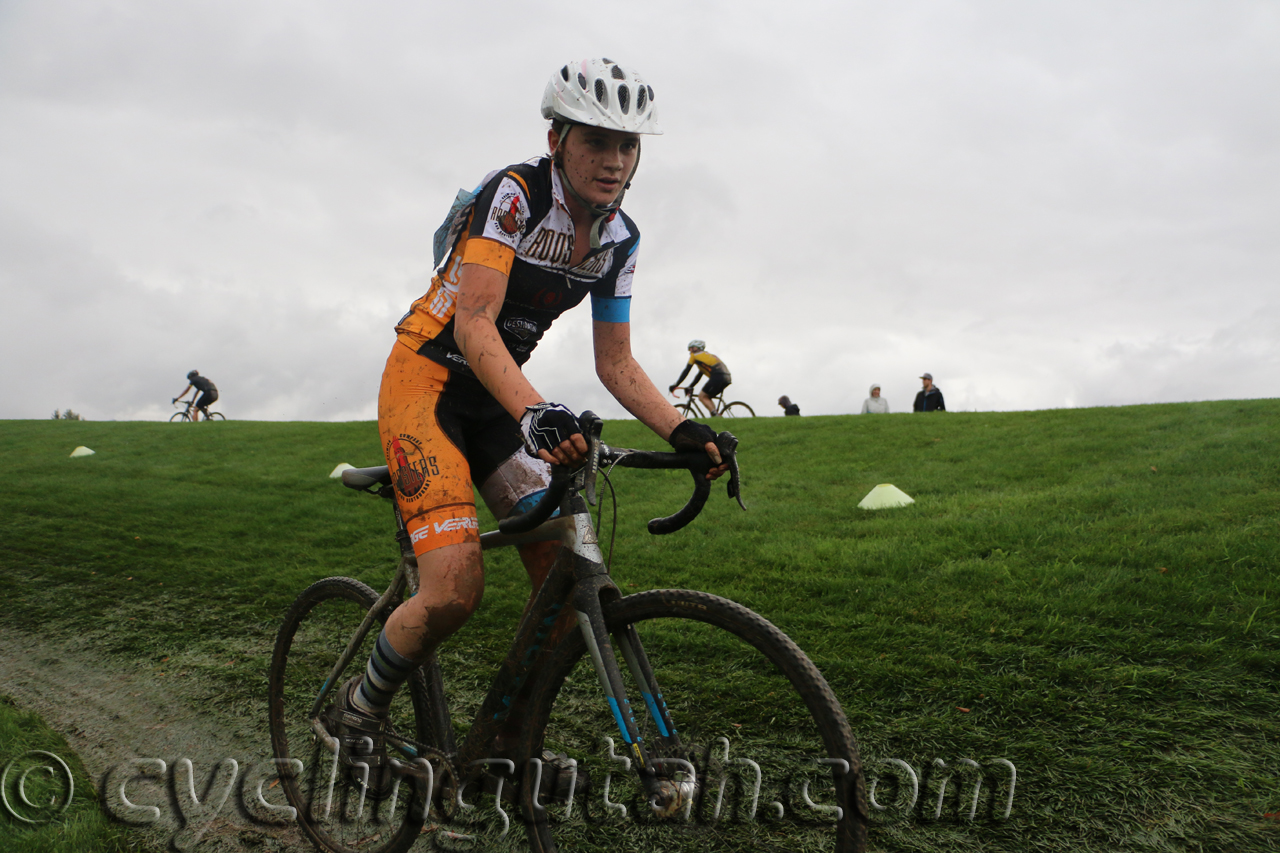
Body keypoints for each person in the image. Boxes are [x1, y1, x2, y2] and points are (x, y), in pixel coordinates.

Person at [335, 58, 729, 798]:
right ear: (556, 138)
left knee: (562, 578)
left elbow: (616, 361)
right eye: (596, 141)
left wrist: (685, 430)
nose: (614, 160)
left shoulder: (620, 238)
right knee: (453, 588)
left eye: (628, 145)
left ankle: (504, 752)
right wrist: (535, 411)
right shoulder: (515, 196)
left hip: (494, 401)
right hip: (426, 381)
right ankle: (357, 712)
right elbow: (474, 318)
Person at [669, 340, 732, 416]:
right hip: (727, 377)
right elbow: (698, 376)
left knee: (702, 397)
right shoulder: (706, 356)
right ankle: (715, 416)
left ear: (696, 348)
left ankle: (716, 415)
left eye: (691, 348)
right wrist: (690, 386)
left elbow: (686, 371)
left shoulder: (694, 356)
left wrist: (676, 384)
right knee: (707, 397)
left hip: (717, 376)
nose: (689, 351)